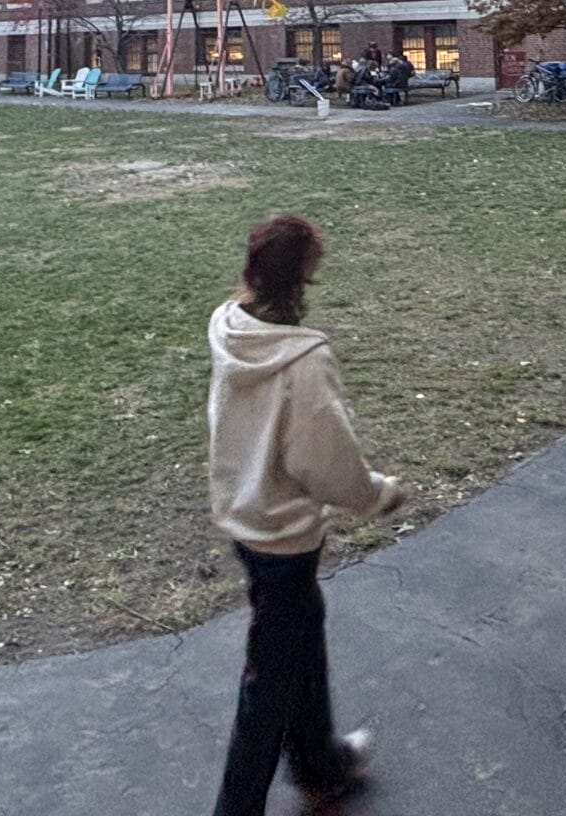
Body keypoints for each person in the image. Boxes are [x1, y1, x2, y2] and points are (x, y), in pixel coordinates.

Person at [207, 214, 407, 814]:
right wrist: (377, 494)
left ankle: (321, 765)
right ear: (300, 279)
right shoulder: (303, 362)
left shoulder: (228, 326)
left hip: (244, 515)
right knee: (268, 684)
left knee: (299, 638)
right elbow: (326, 461)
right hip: (282, 535)